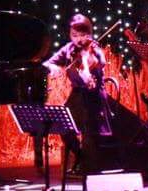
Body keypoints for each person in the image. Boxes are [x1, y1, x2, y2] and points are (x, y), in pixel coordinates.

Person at [44, 14, 112, 173]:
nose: (79, 39)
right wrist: (53, 67)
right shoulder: (69, 49)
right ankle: (80, 156)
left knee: (89, 133)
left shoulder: (94, 49)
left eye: (82, 35)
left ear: (89, 34)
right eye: (74, 35)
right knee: (62, 125)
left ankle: (87, 164)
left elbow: (101, 62)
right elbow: (48, 63)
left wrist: (88, 62)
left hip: (94, 96)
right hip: (76, 95)